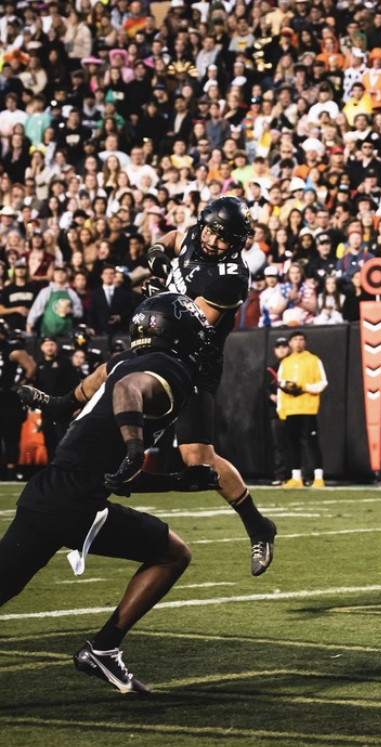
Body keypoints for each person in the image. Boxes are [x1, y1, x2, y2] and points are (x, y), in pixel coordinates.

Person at [26, 197, 277, 575]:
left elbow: (192, 323)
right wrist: (157, 254)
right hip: (161, 342)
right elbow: (173, 239)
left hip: (192, 360)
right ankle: (64, 404)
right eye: (208, 229)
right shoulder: (199, 234)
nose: (210, 239)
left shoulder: (230, 277)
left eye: (221, 236)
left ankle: (258, 525)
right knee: (113, 368)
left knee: (198, 457)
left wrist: (160, 298)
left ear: (238, 241)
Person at [1, 293, 221, 694]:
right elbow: (128, 393)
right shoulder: (168, 368)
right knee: (173, 554)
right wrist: (136, 448)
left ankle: (102, 652)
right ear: (178, 332)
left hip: (47, 493)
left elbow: (111, 471)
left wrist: (176, 480)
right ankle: (103, 648)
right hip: (75, 504)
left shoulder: (119, 360)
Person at [276, 331, 328, 488]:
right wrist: (281, 408)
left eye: (301, 339)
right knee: (292, 444)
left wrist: (304, 387)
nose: (298, 342)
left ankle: (318, 477)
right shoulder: (285, 363)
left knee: (311, 442)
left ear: (305, 342)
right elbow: (280, 386)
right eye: (295, 339)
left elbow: (322, 383)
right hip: (291, 409)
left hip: (308, 408)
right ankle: (295, 477)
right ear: (290, 343)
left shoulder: (313, 360)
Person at [0, 320, 35, 480]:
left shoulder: (10, 349)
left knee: (10, 435)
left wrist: (22, 384)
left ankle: (11, 471)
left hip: (7, 396)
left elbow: (30, 366)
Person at [265, 337, 292, 486]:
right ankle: (280, 475)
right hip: (276, 412)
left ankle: (299, 475)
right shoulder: (271, 369)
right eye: (279, 347)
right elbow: (266, 389)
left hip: (293, 409)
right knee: (279, 444)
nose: (282, 349)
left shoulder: (295, 366)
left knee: (296, 443)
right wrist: (271, 396)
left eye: (284, 346)